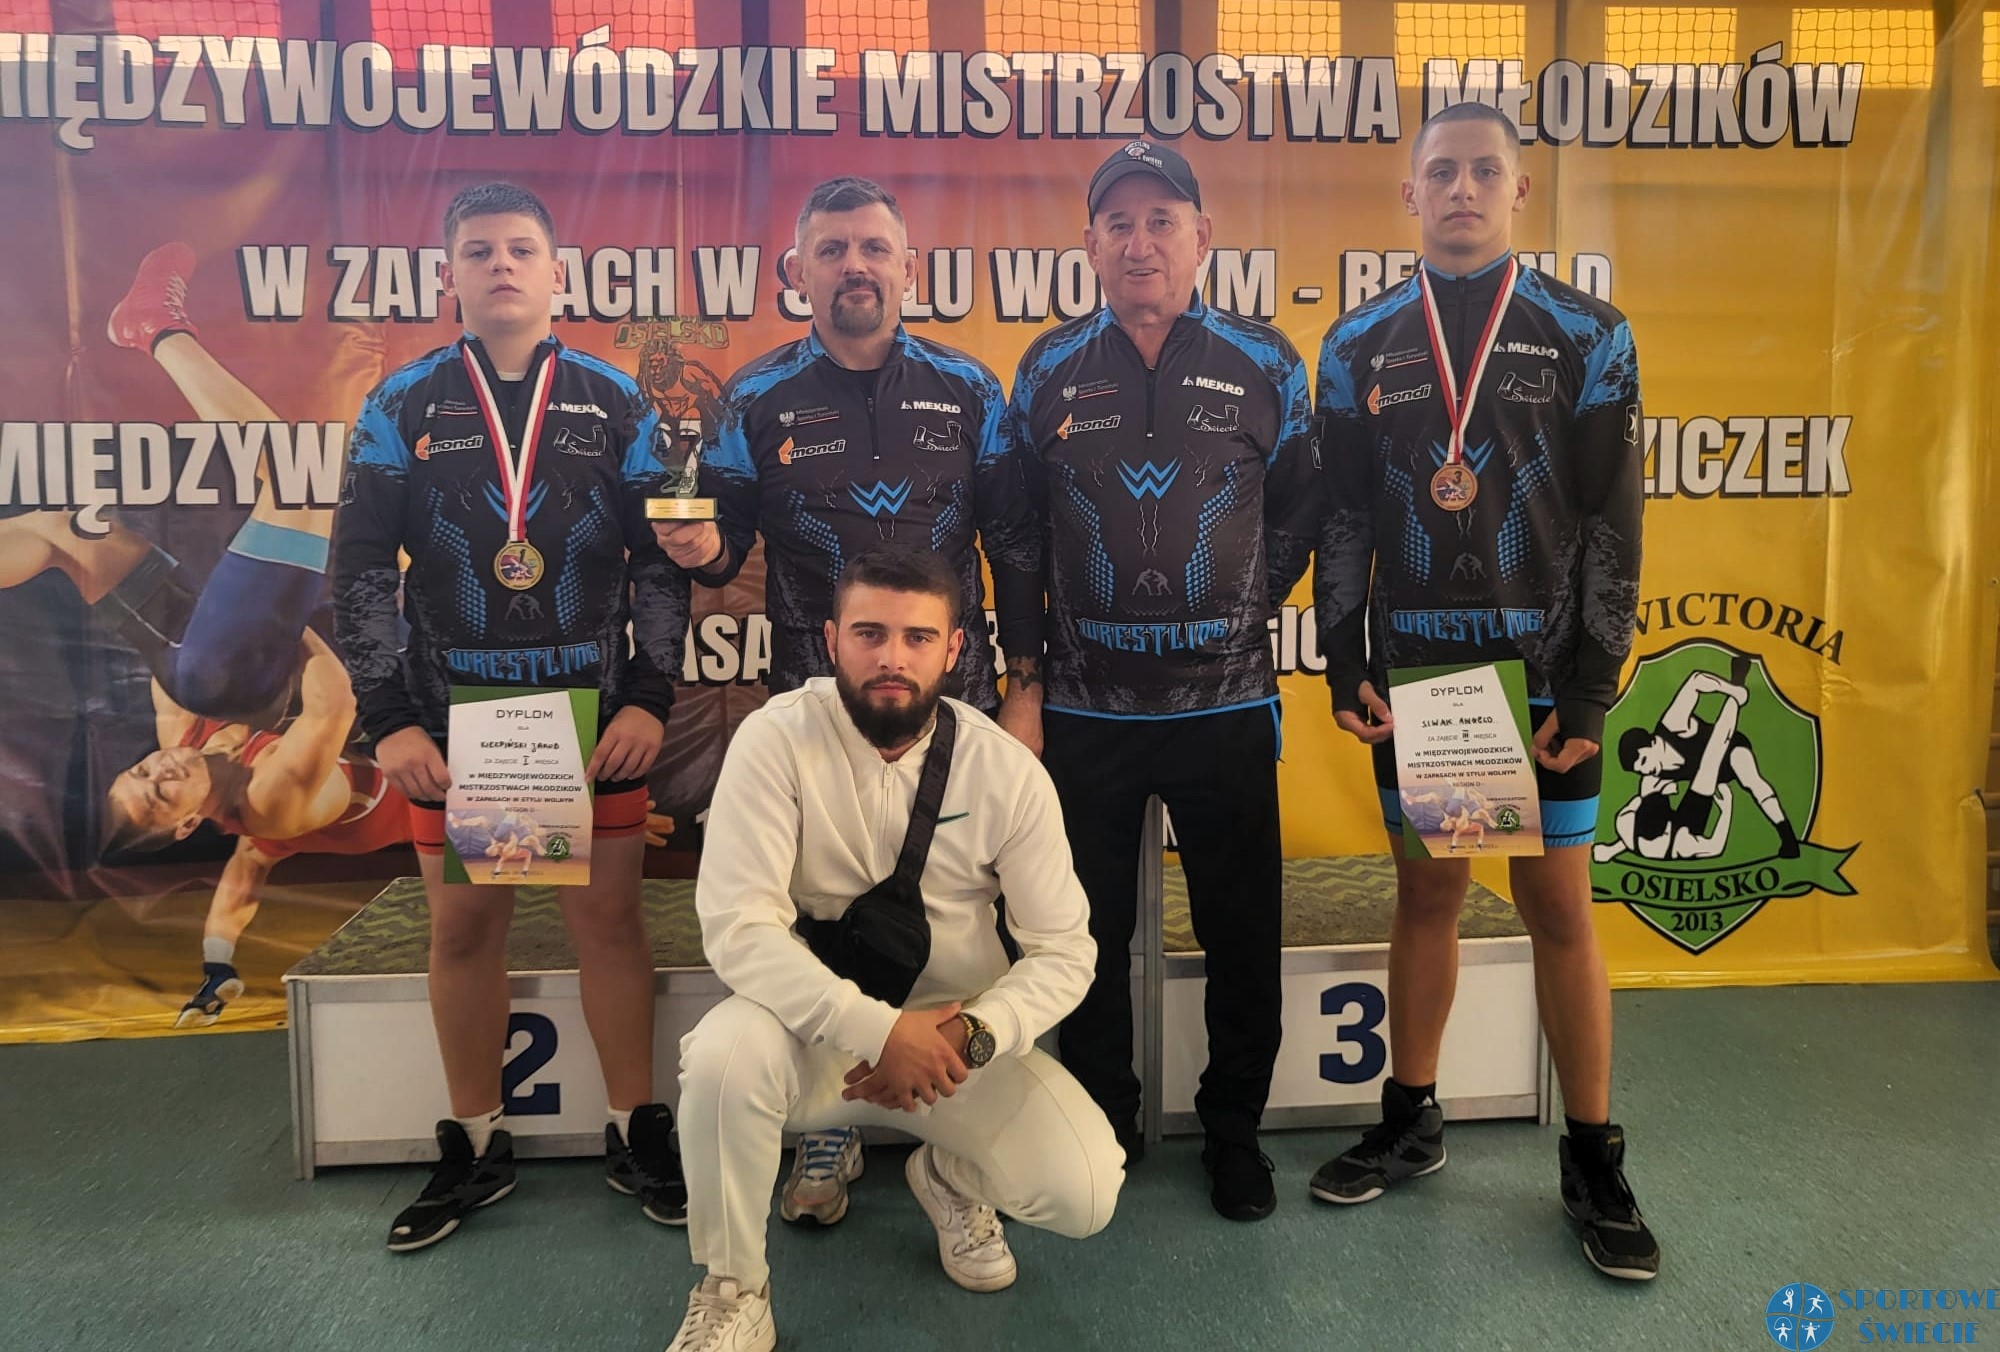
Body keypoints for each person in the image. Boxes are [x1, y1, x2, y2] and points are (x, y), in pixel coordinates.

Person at [652, 176, 1046, 1227]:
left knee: (967, 921)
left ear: (909, 268)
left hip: (956, 711)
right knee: (817, 915)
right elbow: (724, 543)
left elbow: (1013, 545)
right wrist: (702, 545)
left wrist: (1025, 687)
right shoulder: (754, 397)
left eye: (874, 247)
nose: (854, 266)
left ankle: (959, 1154)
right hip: (811, 712)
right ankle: (828, 1117)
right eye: (831, 250)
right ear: (797, 271)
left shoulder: (969, 388)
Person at [1309, 102, 1657, 1279]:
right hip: (1431, 673)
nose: (1460, 188)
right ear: (1408, 193)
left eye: (1482, 170)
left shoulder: (1586, 331)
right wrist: (1344, 654)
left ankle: (1592, 1154)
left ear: (1519, 190)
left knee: (1555, 903)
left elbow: (1612, 519)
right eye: (1440, 171)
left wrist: (1591, 686)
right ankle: (1410, 1115)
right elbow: (1344, 515)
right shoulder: (1356, 344)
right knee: (1431, 890)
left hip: (1543, 673)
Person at [331, 182, 691, 1250]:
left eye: (521, 249)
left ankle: (635, 1127)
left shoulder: (616, 403)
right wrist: (390, 719)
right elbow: (359, 568)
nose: (501, 265)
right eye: (479, 250)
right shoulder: (399, 404)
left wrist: (650, 696)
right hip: (460, 714)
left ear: (557, 274)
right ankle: (474, 1142)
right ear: (449, 274)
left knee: (608, 922)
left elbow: (661, 563)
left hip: (593, 714)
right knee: (464, 927)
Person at [665, 545, 1120, 1352]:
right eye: (869, 633)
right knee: (722, 1059)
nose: (891, 658)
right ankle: (734, 1289)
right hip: (810, 1036)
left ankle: (949, 1176)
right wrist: (880, 1031)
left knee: (1084, 1192)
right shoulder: (774, 741)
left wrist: (974, 1033)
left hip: (954, 1047)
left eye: (917, 638)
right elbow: (739, 928)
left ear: (954, 649)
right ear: (831, 639)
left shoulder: (1004, 770)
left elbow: (1064, 951)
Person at [999, 139, 1319, 1222]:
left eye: (1162, 221)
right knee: (1080, 934)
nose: (1141, 243)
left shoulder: (1266, 360)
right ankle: (1101, 1119)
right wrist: (1026, 678)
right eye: (1119, 224)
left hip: (1223, 706)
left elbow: (1301, 507)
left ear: (1202, 237)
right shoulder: (1045, 367)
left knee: (1240, 930)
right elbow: (1020, 538)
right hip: (1081, 711)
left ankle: (1234, 1132)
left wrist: (1237, 606)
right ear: (1089, 243)